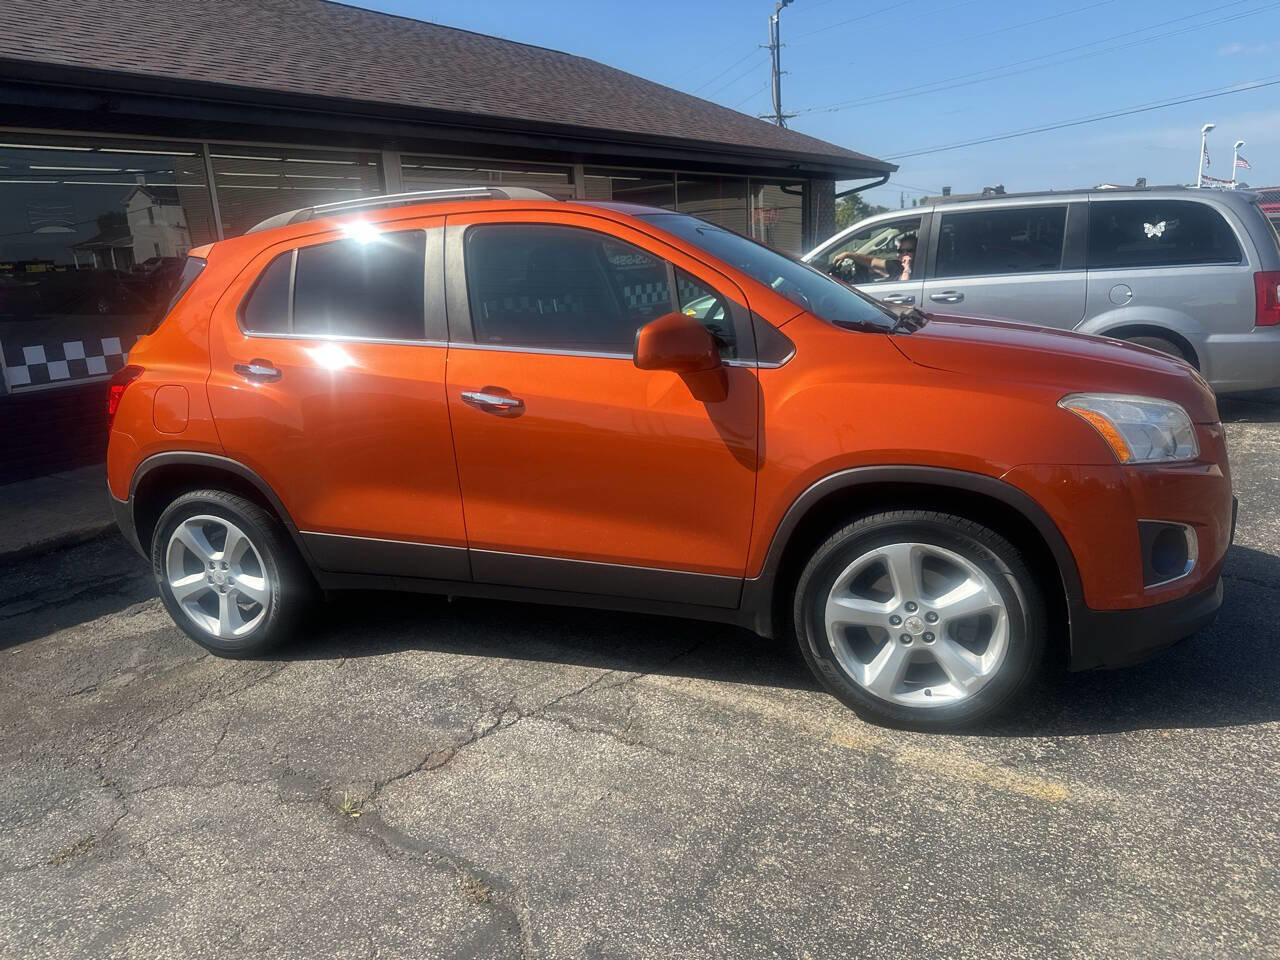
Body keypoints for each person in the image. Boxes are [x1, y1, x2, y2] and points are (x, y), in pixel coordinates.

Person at [831, 232, 917, 283]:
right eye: (901, 251)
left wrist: (907, 268)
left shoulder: (920, 270)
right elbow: (871, 261)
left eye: (909, 250)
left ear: (917, 251)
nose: (905, 254)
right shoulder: (897, 265)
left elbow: (904, 288)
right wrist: (848, 255)